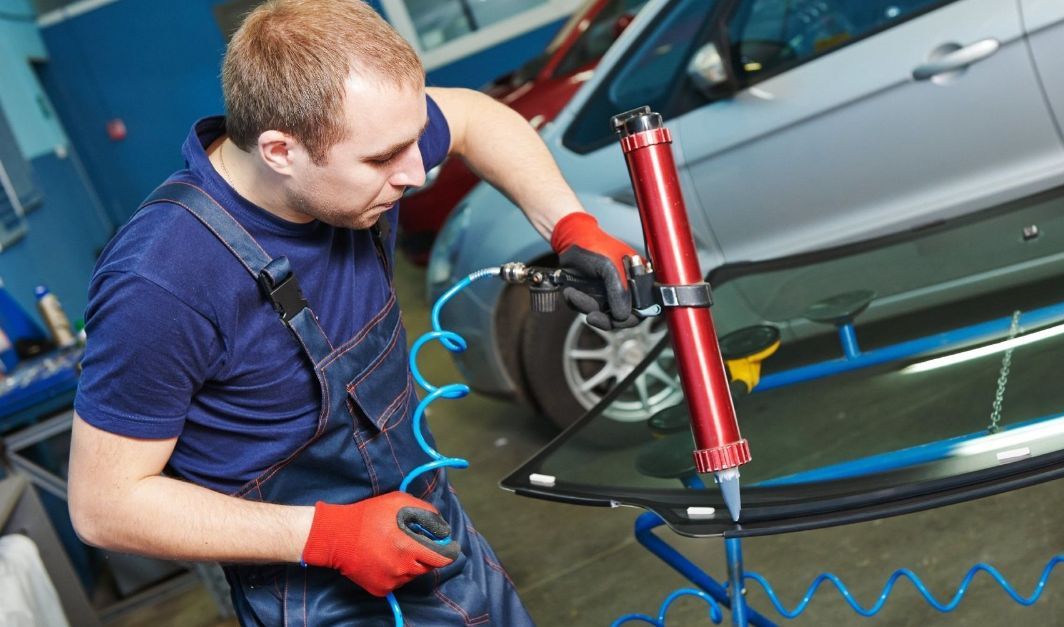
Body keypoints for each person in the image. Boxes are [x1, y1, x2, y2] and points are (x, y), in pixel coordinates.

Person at [65, 1, 639, 624]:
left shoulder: (365, 141)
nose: (416, 174)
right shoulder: (161, 280)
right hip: (317, 596)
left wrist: (569, 224)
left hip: (435, 533)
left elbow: (476, 116)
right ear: (281, 150)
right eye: (383, 159)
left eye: (416, 141)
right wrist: (328, 538)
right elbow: (104, 506)